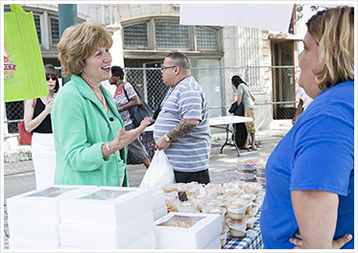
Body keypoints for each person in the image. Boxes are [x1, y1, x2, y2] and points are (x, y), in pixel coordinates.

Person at [261, 6, 354, 249]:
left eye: (306, 48)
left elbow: (314, 191)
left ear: (329, 54)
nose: (300, 57)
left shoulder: (330, 114)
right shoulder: (344, 101)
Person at [52, 23, 151, 187]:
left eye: (107, 50)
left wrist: (127, 138)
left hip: (109, 192)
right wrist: (112, 146)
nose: (108, 58)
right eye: (98, 54)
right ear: (80, 62)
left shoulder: (104, 93)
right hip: (84, 198)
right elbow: (74, 156)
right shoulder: (69, 97)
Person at [154, 52, 211, 184]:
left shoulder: (188, 89)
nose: (161, 72)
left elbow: (191, 121)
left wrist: (167, 137)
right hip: (178, 164)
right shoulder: (177, 88)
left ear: (176, 70)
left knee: (191, 202)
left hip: (188, 167)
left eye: (164, 68)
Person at [23, 64, 59, 189]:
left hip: (57, 141)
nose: (50, 81)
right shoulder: (32, 98)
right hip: (41, 143)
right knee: (44, 178)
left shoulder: (59, 97)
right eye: (47, 78)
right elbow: (28, 126)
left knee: (59, 178)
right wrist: (46, 111)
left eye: (53, 78)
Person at [109, 66, 151, 168]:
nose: (109, 79)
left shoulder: (126, 86)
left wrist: (120, 109)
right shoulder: (117, 90)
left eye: (111, 76)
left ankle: (152, 171)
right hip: (122, 124)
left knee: (136, 148)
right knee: (123, 149)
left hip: (128, 123)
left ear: (117, 77)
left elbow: (136, 101)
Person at [231, 75, 257, 151]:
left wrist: (237, 108)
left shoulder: (240, 86)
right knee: (249, 126)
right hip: (251, 107)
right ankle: (247, 143)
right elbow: (254, 98)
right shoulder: (245, 86)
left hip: (248, 109)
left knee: (249, 127)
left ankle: (252, 144)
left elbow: (239, 100)